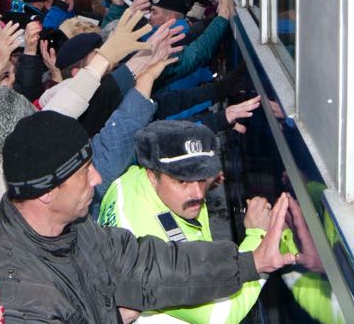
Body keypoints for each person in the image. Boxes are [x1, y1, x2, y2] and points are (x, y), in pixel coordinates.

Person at [0, 111, 297, 323]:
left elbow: (150, 264)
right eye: (86, 172)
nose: (98, 179)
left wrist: (250, 262)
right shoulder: (14, 302)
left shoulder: (69, 227)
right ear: (49, 192)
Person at [99, 120, 295, 323]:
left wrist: (199, 179)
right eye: (182, 181)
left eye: (202, 177)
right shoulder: (148, 239)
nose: (198, 193)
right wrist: (258, 236)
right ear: (152, 176)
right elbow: (221, 314)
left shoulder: (129, 181)